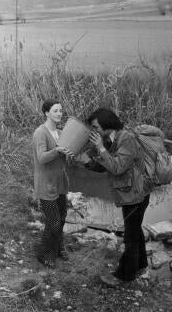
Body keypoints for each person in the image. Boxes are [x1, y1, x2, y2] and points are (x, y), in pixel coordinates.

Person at [84, 108, 152, 286]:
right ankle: (141, 265)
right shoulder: (109, 140)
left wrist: (100, 148)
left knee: (130, 235)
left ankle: (124, 276)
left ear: (107, 124)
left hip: (137, 195)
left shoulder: (126, 138)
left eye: (96, 126)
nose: (94, 130)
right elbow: (103, 166)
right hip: (129, 193)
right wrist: (85, 161)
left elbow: (117, 167)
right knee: (135, 231)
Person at [32, 99, 74, 268]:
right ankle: (45, 253)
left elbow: (64, 158)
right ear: (46, 113)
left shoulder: (62, 132)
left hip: (60, 181)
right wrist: (57, 150)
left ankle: (58, 247)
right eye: (55, 111)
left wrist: (70, 153)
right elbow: (42, 158)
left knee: (62, 217)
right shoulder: (40, 133)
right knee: (53, 222)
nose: (59, 114)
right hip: (46, 182)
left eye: (61, 111)